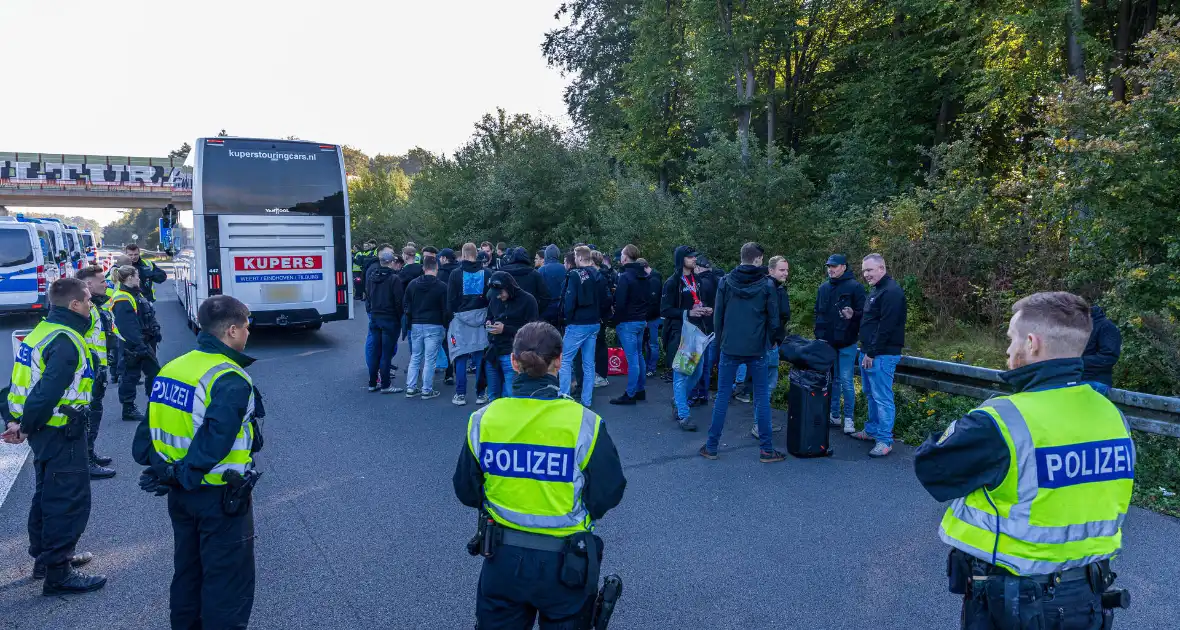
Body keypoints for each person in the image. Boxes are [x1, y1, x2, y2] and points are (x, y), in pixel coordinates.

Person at [915, 292, 1133, 629]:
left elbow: (933, 470)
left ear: (1032, 343)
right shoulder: (1112, 416)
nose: (1007, 349)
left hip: (1016, 601)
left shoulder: (1002, 420)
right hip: (1088, 597)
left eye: (1011, 339)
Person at [452, 322, 627, 629]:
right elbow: (609, 491)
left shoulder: (484, 419)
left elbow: (466, 490)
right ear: (559, 361)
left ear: (513, 362)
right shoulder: (584, 423)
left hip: (502, 559)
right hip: (565, 565)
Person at [133, 295, 263, 630]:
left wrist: (166, 472)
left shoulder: (173, 367)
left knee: (188, 573)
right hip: (219, 496)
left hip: (180, 494)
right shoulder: (230, 378)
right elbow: (215, 440)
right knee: (227, 584)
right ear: (232, 330)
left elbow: (145, 436)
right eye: (247, 326)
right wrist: (186, 474)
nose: (249, 332)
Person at [3, 278, 107, 595]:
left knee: (46, 496)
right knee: (66, 501)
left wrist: (16, 420)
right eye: (88, 299)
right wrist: (25, 426)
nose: (92, 304)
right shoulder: (65, 340)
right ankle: (58, 574)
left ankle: (45, 561)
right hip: (61, 430)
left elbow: (21, 384)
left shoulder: (43, 332)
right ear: (74, 305)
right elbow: (45, 393)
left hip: (47, 431)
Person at [700, 243, 784, 463]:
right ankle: (766, 450)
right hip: (757, 349)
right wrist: (772, 341)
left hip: (730, 347)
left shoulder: (725, 282)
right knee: (761, 398)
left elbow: (718, 317)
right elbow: (774, 320)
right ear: (758, 259)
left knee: (722, 396)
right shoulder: (767, 285)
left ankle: (711, 446)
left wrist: (720, 343)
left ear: (742, 257)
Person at [851, 253, 906, 458]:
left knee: (882, 397)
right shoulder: (877, 290)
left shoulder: (892, 291)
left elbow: (887, 326)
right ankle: (872, 430)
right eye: (864, 270)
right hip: (868, 351)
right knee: (870, 394)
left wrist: (872, 352)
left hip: (881, 354)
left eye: (870, 270)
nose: (866, 274)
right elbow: (871, 319)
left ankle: (884, 440)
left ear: (882, 268)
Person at [661, 246, 715, 431]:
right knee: (681, 374)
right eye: (690, 256)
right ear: (681, 259)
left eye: (694, 256)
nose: (694, 259)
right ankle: (683, 415)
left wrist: (706, 309)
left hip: (698, 332)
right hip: (681, 334)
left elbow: (699, 301)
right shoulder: (673, 282)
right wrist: (688, 312)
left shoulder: (697, 280)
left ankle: (678, 399)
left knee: (697, 372)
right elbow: (665, 310)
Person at [814, 253, 867, 435]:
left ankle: (849, 419)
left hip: (847, 343)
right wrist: (819, 337)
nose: (831, 269)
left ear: (844, 267)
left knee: (845, 380)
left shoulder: (856, 287)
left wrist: (854, 315)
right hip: (828, 343)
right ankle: (834, 415)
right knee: (832, 380)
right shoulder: (823, 288)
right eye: (829, 266)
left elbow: (865, 314)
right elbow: (818, 315)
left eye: (834, 266)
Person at [741, 255, 791, 438]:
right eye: (781, 270)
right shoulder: (770, 289)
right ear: (770, 270)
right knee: (766, 386)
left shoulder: (770, 287)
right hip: (767, 345)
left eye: (786, 270)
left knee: (764, 385)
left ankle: (762, 421)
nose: (785, 273)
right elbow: (773, 317)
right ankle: (759, 424)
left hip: (768, 343)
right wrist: (772, 340)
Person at [76, 266, 117, 479]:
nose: (106, 284)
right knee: (89, 417)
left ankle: (90, 453)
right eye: (102, 281)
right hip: (89, 373)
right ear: (88, 285)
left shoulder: (93, 305)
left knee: (94, 414)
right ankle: (87, 461)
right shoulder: (85, 310)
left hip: (97, 370)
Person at [559, 246, 610, 408]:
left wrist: (567, 318)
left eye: (575, 256)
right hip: (594, 323)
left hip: (577, 323)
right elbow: (606, 299)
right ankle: (586, 400)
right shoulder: (599, 275)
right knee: (589, 363)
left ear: (580, 258)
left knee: (565, 360)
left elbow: (569, 299)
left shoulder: (575, 275)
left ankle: (564, 397)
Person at [107, 266, 159, 423]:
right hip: (132, 344)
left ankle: (155, 404)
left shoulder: (135, 292)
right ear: (129, 278)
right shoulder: (122, 298)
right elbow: (128, 326)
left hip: (142, 341)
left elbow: (147, 312)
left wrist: (155, 328)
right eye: (136, 276)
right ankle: (128, 409)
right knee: (130, 375)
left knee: (153, 373)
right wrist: (139, 345)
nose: (139, 278)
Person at [484, 271, 539, 401]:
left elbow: (532, 331)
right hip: (493, 352)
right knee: (493, 396)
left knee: (511, 395)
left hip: (513, 354)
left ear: (508, 288)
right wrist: (488, 323)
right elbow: (489, 316)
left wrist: (505, 329)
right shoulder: (495, 299)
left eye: (500, 293)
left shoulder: (528, 300)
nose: (498, 297)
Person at [609, 245, 651, 406]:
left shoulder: (625, 277)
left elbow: (620, 303)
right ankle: (640, 389)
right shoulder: (644, 276)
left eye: (621, 254)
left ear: (625, 257)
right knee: (639, 355)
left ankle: (630, 393)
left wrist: (614, 320)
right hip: (640, 320)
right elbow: (649, 299)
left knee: (632, 359)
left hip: (627, 322)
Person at [404, 256, 448, 399]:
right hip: (435, 325)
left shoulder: (412, 284)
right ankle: (426, 389)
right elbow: (446, 309)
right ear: (437, 268)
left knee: (415, 357)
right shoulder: (442, 287)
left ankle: (410, 388)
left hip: (416, 324)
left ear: (423, 268)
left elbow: (406, 305)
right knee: (430, 359)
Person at [365, 249, 405, 393]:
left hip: (375, 317)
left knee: (376, 351)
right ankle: (386, 384)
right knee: (386, 354)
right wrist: (400, 317)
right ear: (391, 262)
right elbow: (399, 301)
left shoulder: (371, 277)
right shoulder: (394, 279)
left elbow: (368, 296)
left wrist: (371, 311)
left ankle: (372, 382)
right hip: (389, 319)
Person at [1082, 304, 1122, 396]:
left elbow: (1108, 357)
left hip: (1096, 381)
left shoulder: (1106, 326)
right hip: (1073, 380)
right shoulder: (1077, 327)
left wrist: (1077, 362)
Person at [501, 247, 552, 317]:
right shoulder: (534, 274)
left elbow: (492, 295)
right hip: (527, 316)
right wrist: (535, 310)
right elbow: (545, 297)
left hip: (507, 315)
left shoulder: (502, 273)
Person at [641, 259, 663, 379]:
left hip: (653, 317)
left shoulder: (654, 280)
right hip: (651, 316)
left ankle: (651, 368)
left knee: (653, 344)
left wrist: (646, 318)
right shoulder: (653, 278)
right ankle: (649, 367)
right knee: (649, 344)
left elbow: (653, 303)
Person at [538, 244, 567, 326]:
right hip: (561, 306)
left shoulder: (541, 269)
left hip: (546, 307)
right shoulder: (564, 268)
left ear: (546, 255)